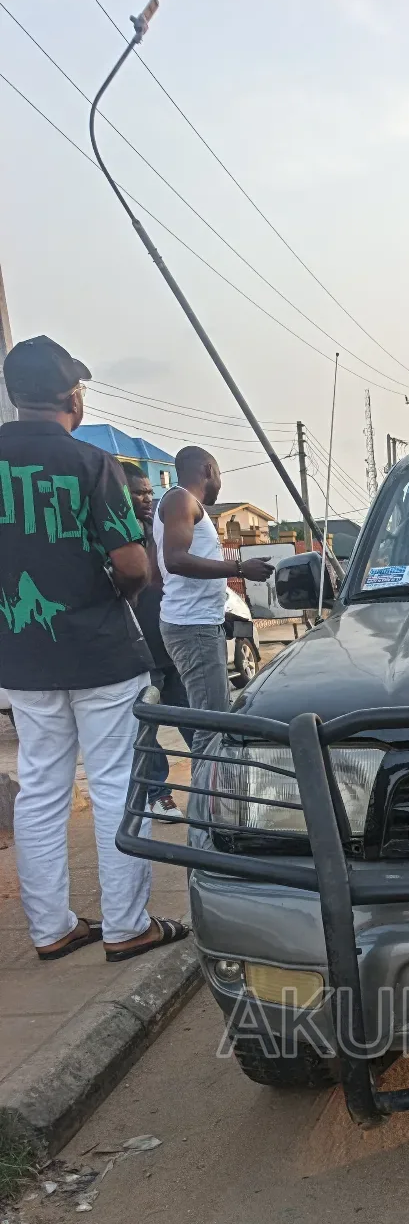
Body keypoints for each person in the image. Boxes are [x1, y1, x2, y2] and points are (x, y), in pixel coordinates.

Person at [0, 335, 189, 961]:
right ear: (70, 395)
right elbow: (133, 566)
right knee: (114, 785)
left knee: (41, 789)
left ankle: (51, 930)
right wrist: (112, 585)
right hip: (101, 652)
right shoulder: (92, 463)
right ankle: (125, 926)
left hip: (22, 657)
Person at [154, 446, 273, 718]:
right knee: (213, 723)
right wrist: (240, 568)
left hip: (199, 621)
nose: (219, 484)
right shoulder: (180, 501)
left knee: (210, 717)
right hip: (193, 625)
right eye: (219, 474)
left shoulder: (182, 505)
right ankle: (210, 763)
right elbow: (174, 560)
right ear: (208, 470)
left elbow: (157, 568)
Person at [123, 462, 186, 819]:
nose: (147, 499)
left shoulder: (159, 529)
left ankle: (218, 784)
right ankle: (158, 794)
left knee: (196, 719)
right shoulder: (116, 536)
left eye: (150, 492)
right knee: (145, 729)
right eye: (139, 493)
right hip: (139, 650)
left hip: (173, 641)